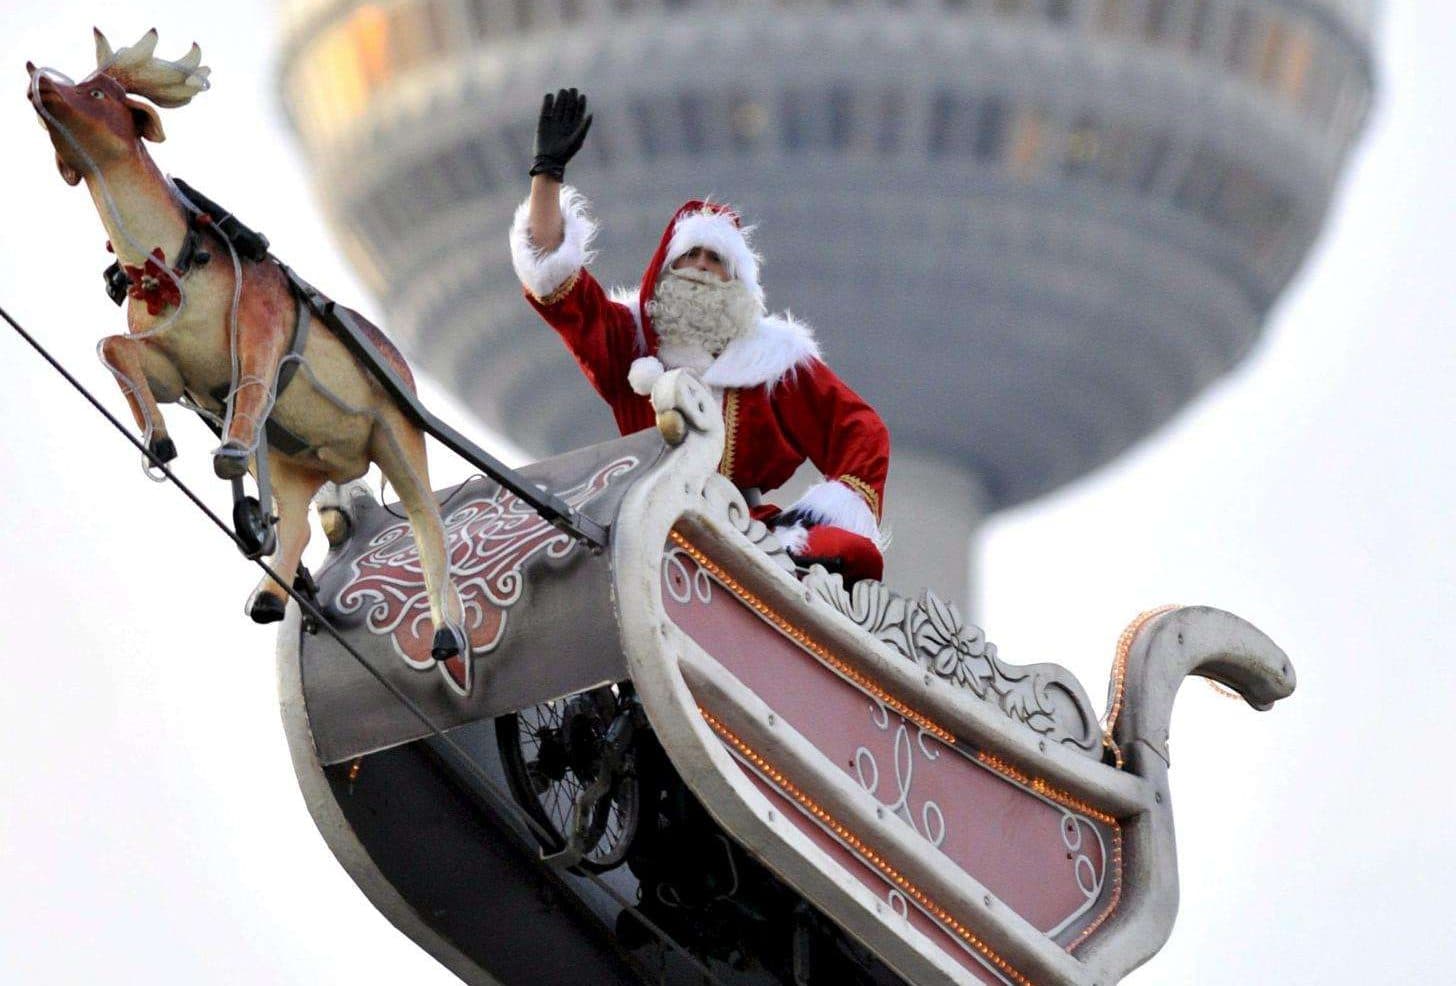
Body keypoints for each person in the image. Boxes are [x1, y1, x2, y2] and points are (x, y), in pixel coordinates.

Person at [509, 88, 890, 583]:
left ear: (738, 282)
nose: (702, 269)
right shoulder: (630, 342)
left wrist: (827, 513)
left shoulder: (773, 365)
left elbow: (861, 429)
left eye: (716, 261)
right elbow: (560, 290)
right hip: (644, 522)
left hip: (747, 533)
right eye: (690, 257)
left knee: (847, 550)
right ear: (665, 271)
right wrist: (547, 175)